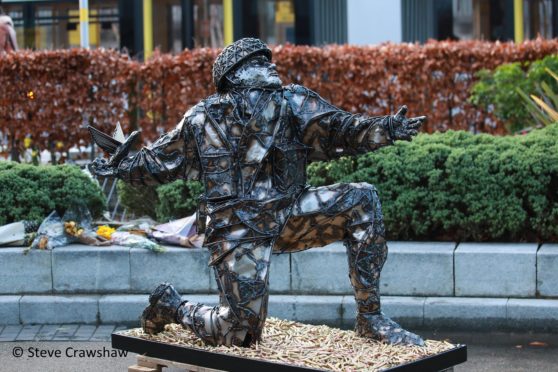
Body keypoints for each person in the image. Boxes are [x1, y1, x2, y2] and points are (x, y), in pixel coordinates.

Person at [89, 38, 426, 347]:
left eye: (269, 60)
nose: (271, 65)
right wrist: (119, 166)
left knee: (362, 200)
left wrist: (386, 128)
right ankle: (171, 306)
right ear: (233, 76)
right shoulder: (201, 119)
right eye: (258, 62)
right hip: (237, 229)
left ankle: (370, 318)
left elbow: (340, 128)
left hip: (290, 211)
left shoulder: (292, 102)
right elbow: (158, 160)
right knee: (239, 334)